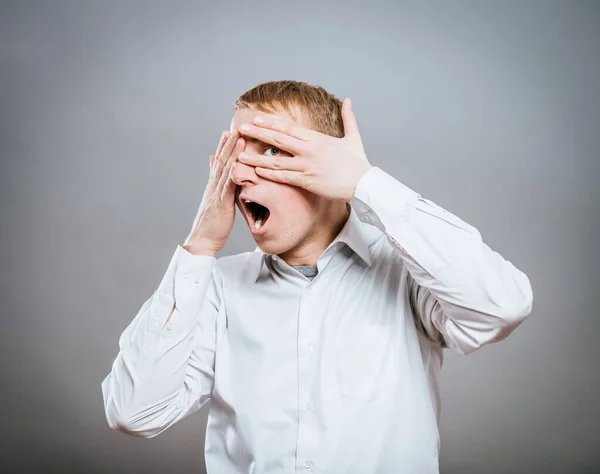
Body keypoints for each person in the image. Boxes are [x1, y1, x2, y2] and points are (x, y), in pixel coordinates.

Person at [101, 80, 533, 473]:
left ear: (330, 166)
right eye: (237, 151)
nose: (241, 171)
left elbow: (500, 308)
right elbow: (134, 411)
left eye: (270, 150)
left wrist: (365, 183)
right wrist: (199, 245)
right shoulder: (214, 288)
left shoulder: (407, 270)